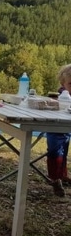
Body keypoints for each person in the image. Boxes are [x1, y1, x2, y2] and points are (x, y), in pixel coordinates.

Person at [46, 64, 71, 195]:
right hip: (53, 127)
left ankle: (62, 175)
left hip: (67, 129)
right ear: (63, 84)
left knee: (64, 152)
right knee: (55, 152)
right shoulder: (59, 96)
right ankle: (55, 179)